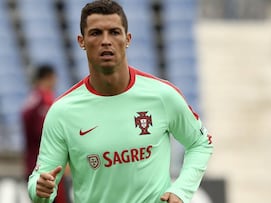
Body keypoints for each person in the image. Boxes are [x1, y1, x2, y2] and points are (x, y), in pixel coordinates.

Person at [27, 1, 213, 203]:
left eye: (114, 32)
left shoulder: (162, 95)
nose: (106, 41)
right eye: (96, 33)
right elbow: (40, 179)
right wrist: (40, 190)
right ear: (81, 41)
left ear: (127, 39)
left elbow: (200, 143)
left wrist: (182, 190)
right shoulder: (62, 112)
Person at [21, 65, 68, 203]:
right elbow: (49, 134)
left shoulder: (32, 98)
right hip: (48, 166)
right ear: (49, 78)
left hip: (32, 163)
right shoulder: (45, 99)